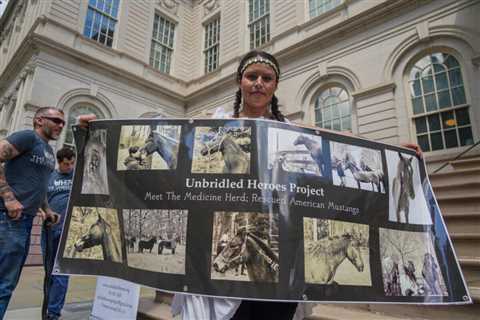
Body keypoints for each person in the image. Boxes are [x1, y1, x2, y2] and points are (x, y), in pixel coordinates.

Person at [0, 107, 63, 318]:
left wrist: (46, 209)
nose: (61, 125)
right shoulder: (27, 137)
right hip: (8, 218)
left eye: (62, 122)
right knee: (4, 283)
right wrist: (9, 198)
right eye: (56, 120)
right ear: (38, 120)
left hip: (25, 220)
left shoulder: (49, 151)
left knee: (9, 281)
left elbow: (40, 184)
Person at [41, 147, 76, 320]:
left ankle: (53, 313)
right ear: (59, 162)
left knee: (61, 272)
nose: (69, 167)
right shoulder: (50, 177)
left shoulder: (77, 177)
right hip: (48, 230)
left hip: (67, 232)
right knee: (49, 272)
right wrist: (42, 211)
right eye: (65, 164)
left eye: (71, 163)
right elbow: (41, 197)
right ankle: (47, 308)